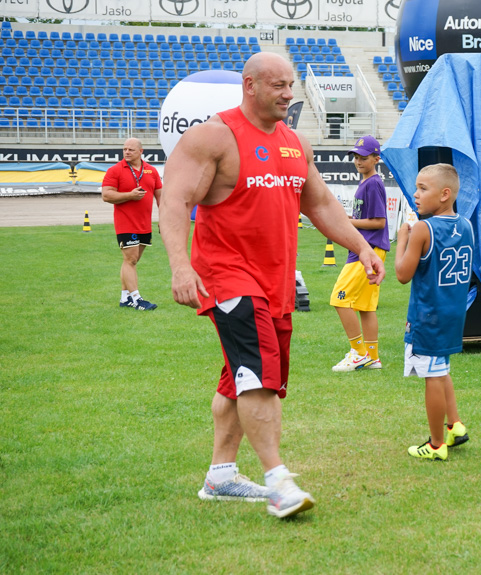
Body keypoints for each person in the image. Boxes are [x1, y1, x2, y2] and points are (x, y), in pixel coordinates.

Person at [159, 52, 386, 519]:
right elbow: (177, 201)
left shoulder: (293, 142)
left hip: (276, 281)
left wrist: (361, 247)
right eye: (278, 85)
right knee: (259, 374)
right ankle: (278, 481)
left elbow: (319, 204)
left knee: (240, 378)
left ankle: (221, 476)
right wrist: (181, 267)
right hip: (227, 277)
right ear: (250, 86)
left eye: (291, 85)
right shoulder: (213, 137)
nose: (288, 94)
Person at [395, 164, 475, 461]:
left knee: (432, 376)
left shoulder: (422, 229)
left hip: (428, 314)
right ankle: (454, 425)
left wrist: (403, 237)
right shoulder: (466, 225)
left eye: (422, 189)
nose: (415, 194)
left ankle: (437, 443)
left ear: (444, 194)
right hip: (454, 311)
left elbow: (403, 274)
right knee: (441, 370)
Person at [330, 135, 390, 372]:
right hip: (369, 248)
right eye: (355, 157)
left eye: (364, 157)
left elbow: (379, 222)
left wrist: (347, 223)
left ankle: (359, 353)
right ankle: (372, 357)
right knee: (366, 307)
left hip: (368, 250)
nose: (358, 161)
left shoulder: (373, 183)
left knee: (339, 299)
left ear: (376, 159)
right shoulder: (367, 183)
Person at [101, 137, 163, 311]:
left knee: (131, 261)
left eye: (131, 149)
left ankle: (125, 297)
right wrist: (129, 195)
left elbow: (160, 196)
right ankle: (136, 299)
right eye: (125, 149)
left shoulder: (151, 171)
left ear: (141, 152)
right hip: (125, 223)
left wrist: (164, 218)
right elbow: (106, 195)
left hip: (144, 223)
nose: (127, 152)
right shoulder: (115, 170)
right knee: (131, 259)